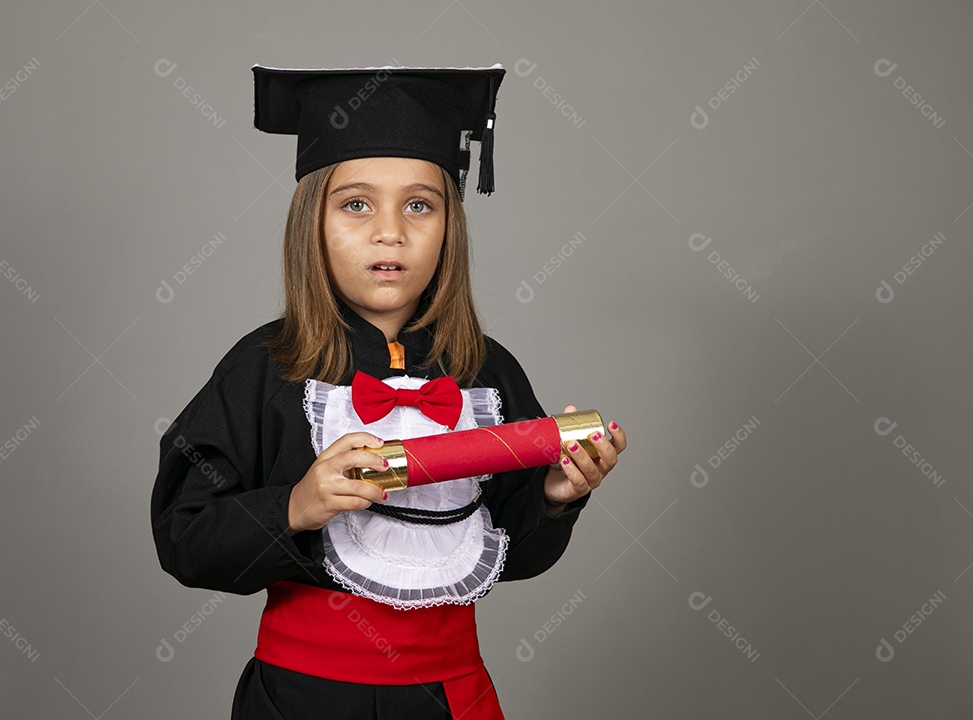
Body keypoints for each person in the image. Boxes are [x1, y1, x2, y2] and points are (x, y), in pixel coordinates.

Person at [150, 64, 627, 720]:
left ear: (449, 226)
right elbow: (186, 539)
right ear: (310, 223)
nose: (390, 232)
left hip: (449, 697)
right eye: (356, 203)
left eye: (419, 205)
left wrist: (556, 496)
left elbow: (511, 554)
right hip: (300, 702)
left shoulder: (488, 371)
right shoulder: (263, 368)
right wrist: (296, 504)